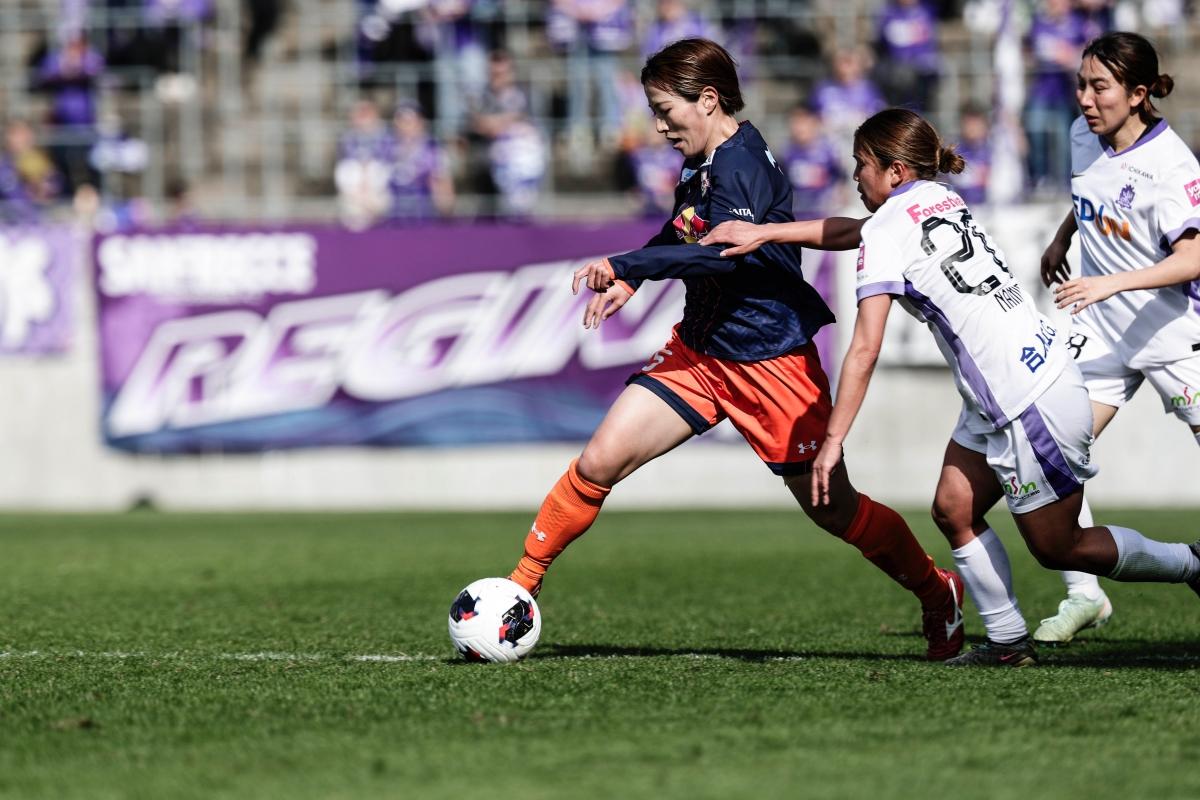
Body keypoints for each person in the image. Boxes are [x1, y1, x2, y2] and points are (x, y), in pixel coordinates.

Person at [508, 38, 967, 662]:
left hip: (771, 362)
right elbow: (684, 229)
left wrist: (623, 263)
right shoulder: (703, 160)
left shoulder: (742, 163)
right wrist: (633, 279)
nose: (660, 126)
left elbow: (719, 254)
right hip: (699, 352)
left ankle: (938, 590)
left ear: (708, 99)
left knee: (833, 509)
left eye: (666, 111)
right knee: (597, 463)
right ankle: (519, 589)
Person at [705, 107, 1200, 666]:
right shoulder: (937, 198)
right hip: (1016, 381)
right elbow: (853, 231)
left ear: (894, 171)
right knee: (953, 508)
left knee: (1060, 546)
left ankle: (1191, 563)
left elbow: (864, 348)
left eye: (861, 164)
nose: (855, 175)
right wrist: (766, 232)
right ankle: (1007, 643)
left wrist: (833, 441)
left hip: (1026, 397)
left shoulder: (889, 228)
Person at [1037, 31, 1200, 643]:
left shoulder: (1173, 165)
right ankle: (1084, 594)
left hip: (1171, 332)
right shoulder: (1085, 136)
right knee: (1052, 450)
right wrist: (1063, 237)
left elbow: (1193, 258)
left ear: (1137, 94)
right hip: (1101, 335)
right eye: (1081, 84)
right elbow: (1092, 192)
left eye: (1099, 87)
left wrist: (1110, 283)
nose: (1085, 98)